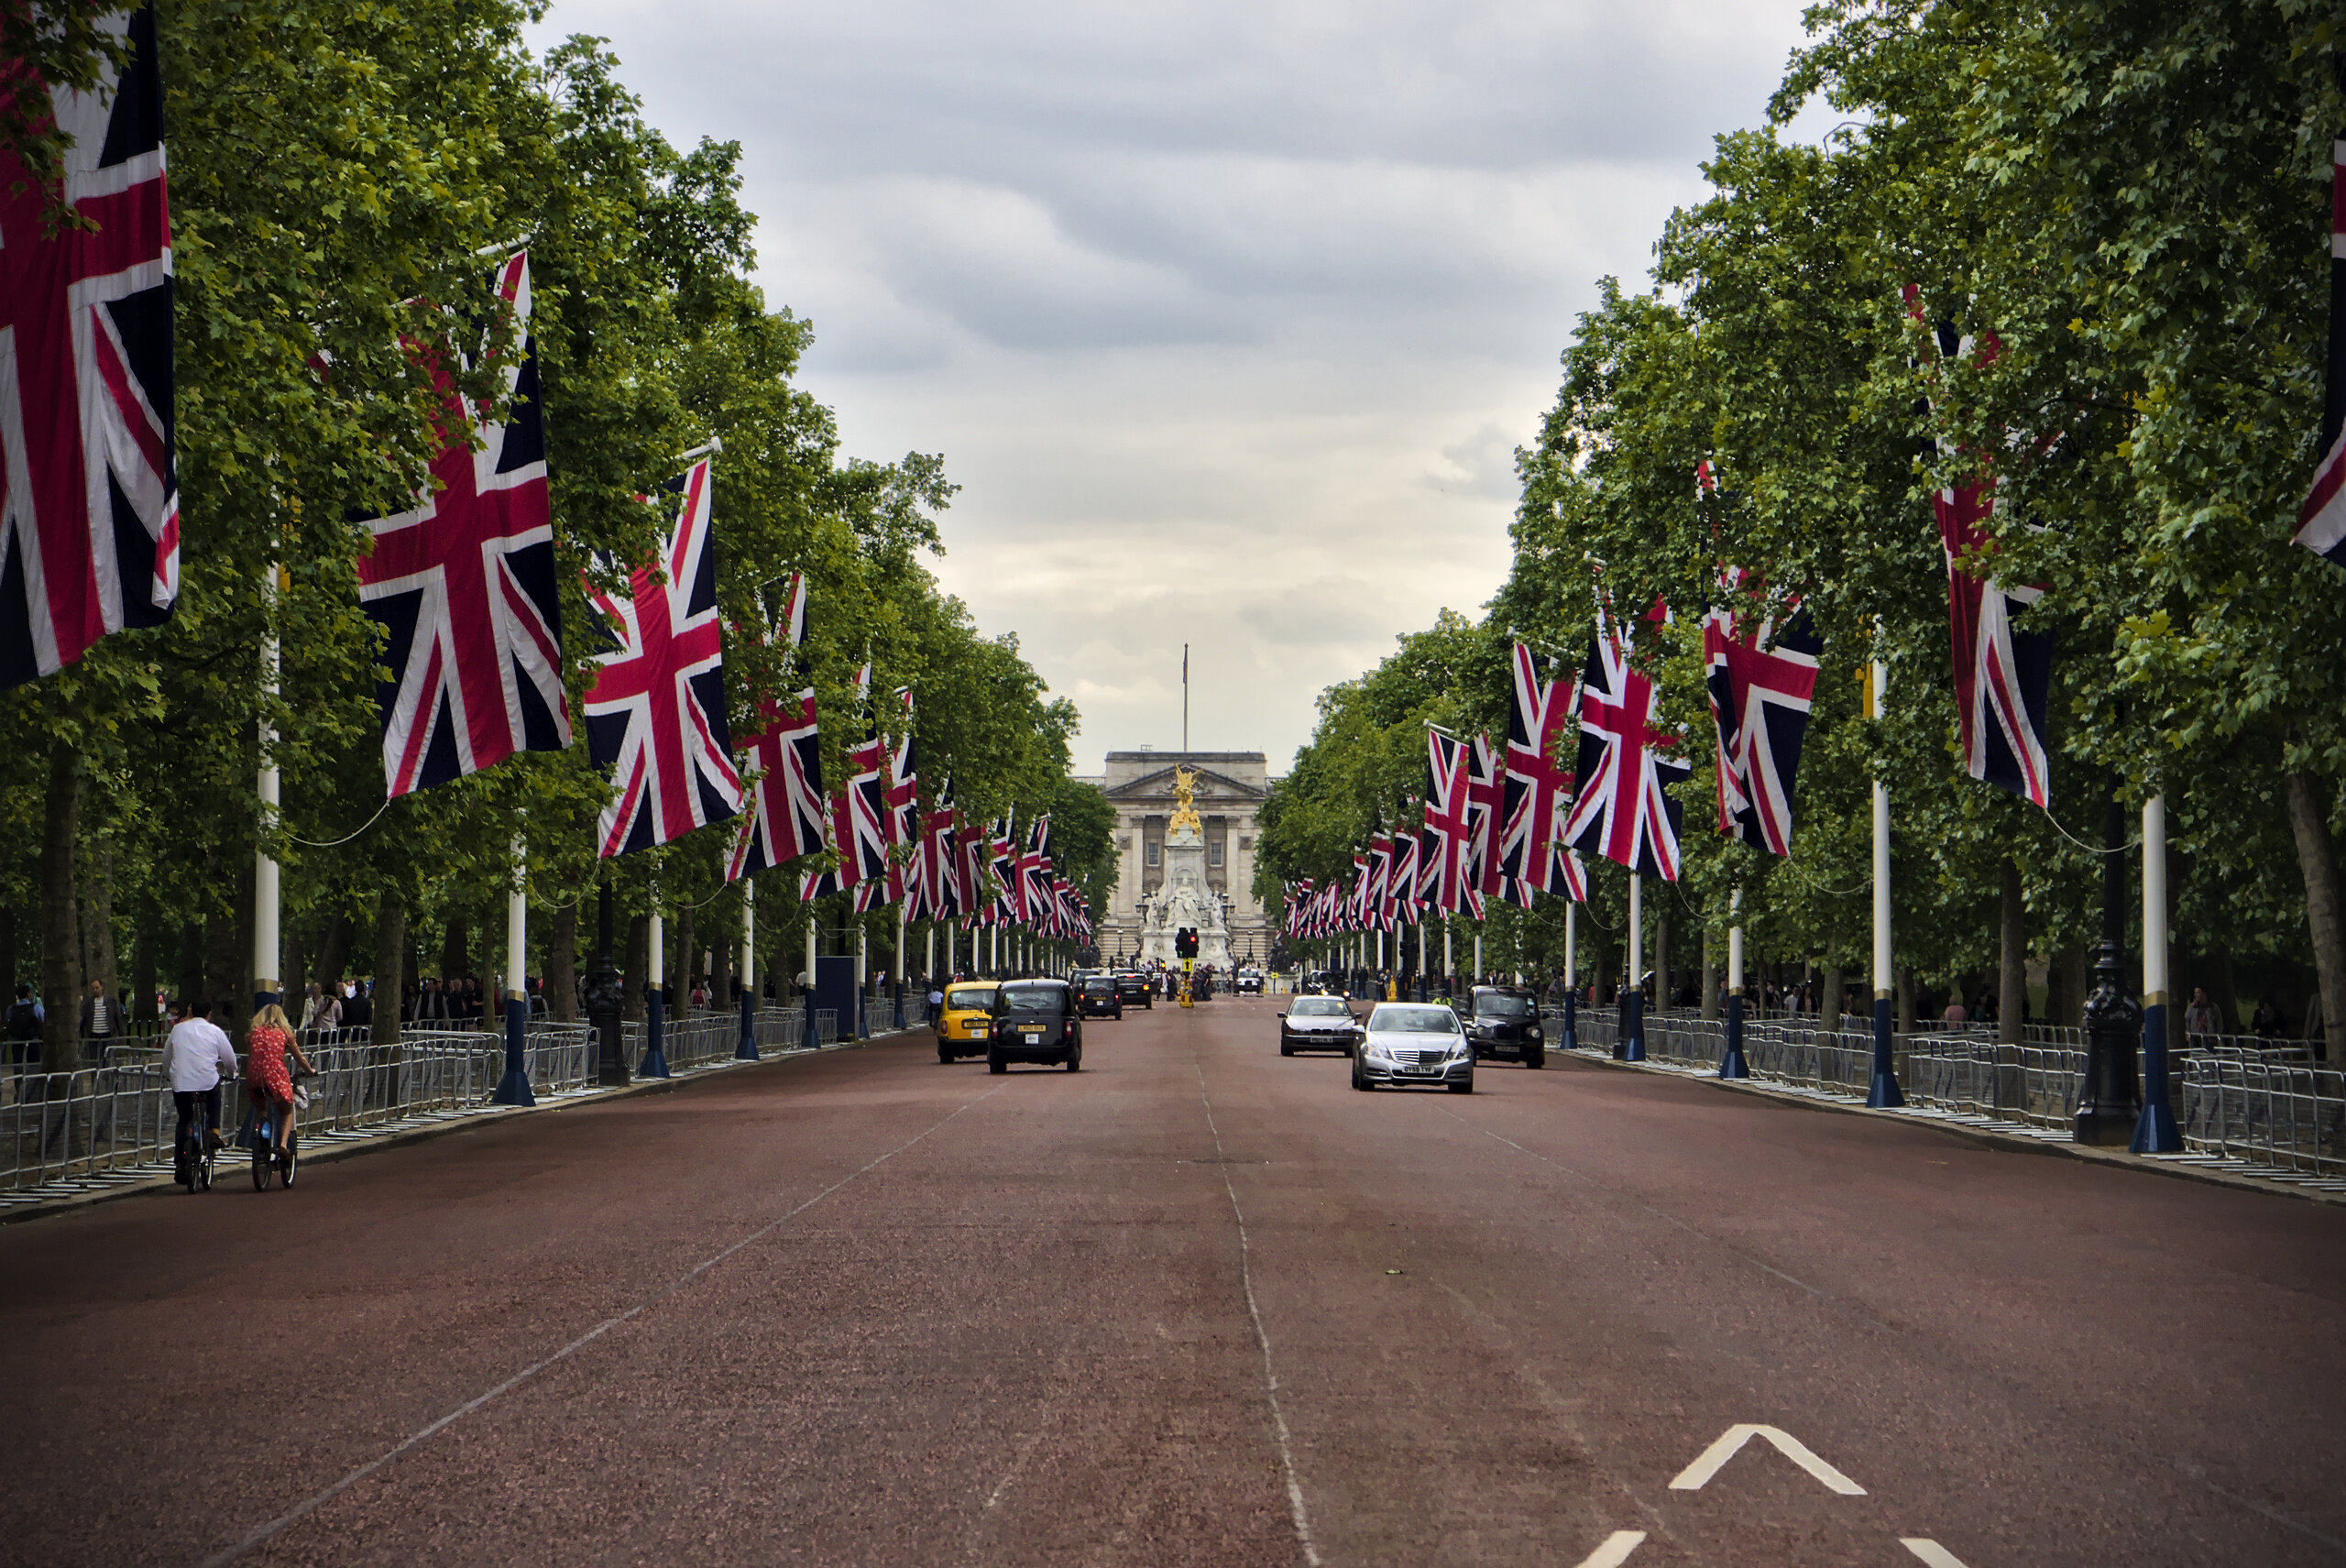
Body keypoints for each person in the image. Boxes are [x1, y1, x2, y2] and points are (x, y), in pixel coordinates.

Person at [162, 997, 239, 1169]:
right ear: (209, 1014)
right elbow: (228, 1057)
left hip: (181, 1083)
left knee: (184, 1119)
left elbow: (166, 1056)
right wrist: (233, 1073)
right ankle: (214, 1130)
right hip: (206, 1081)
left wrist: (168, 1074)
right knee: (214, 1096)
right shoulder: (215, 1031)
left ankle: (179, 1163)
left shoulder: (177, 1029)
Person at [244, 1002, 315, 1167]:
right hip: (275, 1076)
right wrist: (309, 1070)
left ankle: (260, 1138)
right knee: (286, 1108)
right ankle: (282, 1146)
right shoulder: (284, 1033)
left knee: (260, 1107)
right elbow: (299, 1058)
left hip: (254, 1077)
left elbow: (253, 1055)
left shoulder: (253, 1034)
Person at [80, 978, 120, 1061]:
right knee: (94, 1058)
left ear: (101, 987)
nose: (95, 990)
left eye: (97, 988)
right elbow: (83, 1019)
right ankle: (95, 1073)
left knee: (107, 1058)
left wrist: (120, 1034)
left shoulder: (110, 1001)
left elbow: (116, 1017)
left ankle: (105, 1073)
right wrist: (82, 1034)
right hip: (94, 1035)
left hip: (107, 1034)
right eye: (93, 988)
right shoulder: (88, 1003)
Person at [4, 983, 41, 1073]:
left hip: (17, 1041)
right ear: (28, 994)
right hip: (33, 1040)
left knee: (18, 1065)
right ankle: (32, 1085)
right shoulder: (36, 1007)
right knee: (34, 1066)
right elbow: (43, 1019)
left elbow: (7, 1022)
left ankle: (18, 1084)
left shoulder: (11, 1009)